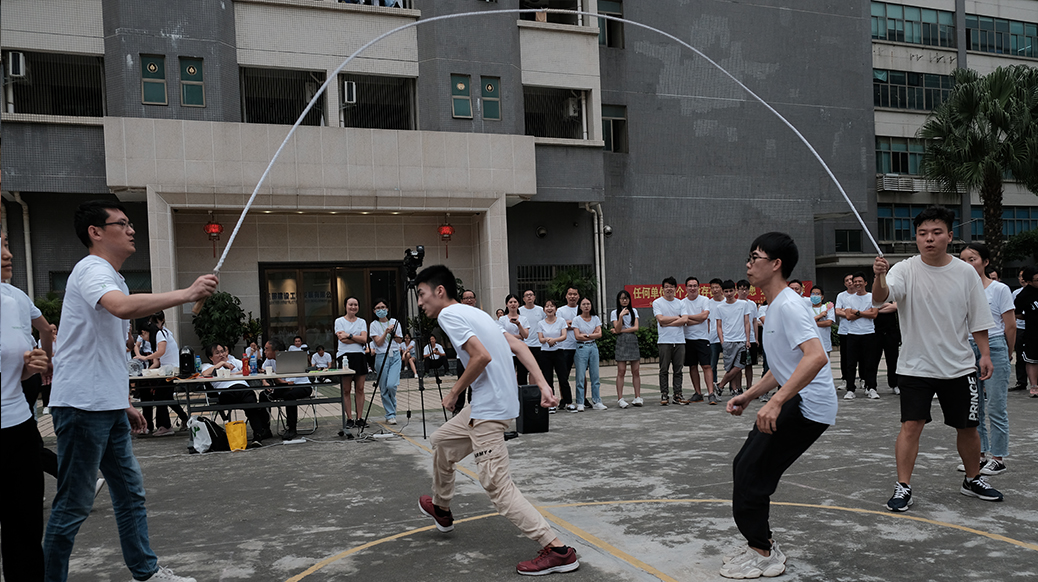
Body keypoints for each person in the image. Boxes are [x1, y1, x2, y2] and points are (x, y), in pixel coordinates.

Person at [45, 200, 214, 582]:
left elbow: (107, 353)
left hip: (106, 406)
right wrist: (186, 293)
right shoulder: (92, 269)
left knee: (129, 493)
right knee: (74, 504)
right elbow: (120, 308)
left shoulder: (114, 277)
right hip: (81, 406)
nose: (131, 229)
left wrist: (124, 402)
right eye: (122, 224)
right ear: (96, 232)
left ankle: (146, 572)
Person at [413, 265, 579, 576]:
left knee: (497, 487)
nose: (420, 302)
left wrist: (454, 392)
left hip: (488, 411)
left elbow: (481, 357)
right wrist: (543, 384)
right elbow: (517, 345)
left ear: (439, 291)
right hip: (488, 405)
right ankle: (442, 508)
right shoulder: (476, 314)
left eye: (422, 294)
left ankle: (558, 550)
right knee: (442, 442)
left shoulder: (449, 315)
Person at [721, 232, 837, 579]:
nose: (748, 265)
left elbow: (815, 357)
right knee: (747, 466)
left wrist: (777, 402)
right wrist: (750, 395)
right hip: (796, 400)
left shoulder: (788, 305)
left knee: (752, 472)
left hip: (808, 406)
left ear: (776, 264)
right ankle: (761, 543)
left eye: (754, 257)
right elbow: (784, 366)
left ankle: (763, 553)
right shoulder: (774, 307)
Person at [872, 205, 1002, 512]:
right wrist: (879, 276)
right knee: (911, 425)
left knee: (968, 428)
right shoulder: (904, 269)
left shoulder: (965, 272)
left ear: (950, 236)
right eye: (922, 233)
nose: (929, 238)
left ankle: (972, 479)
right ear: (916, 238)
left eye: (936, 232)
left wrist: (984, 354)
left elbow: (977, 317)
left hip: (959, 366)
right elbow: (881, 298)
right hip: (915, 366)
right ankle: (903, 486)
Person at [2, 229, 53, 580]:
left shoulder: (15, 299)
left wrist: (35, 365)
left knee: (25, 532)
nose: (8, 255)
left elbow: (15, 371)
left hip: (18, 426)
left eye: (6, 245)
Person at [958, 243, 1014, 475]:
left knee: (996, 406)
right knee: (974, 406)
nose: (967, 264)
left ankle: (998, 457)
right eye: (962, 260)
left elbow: (1010, 325)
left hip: (995, 345)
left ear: (985, 262)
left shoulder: (999, 289)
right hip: (967, 348)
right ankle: (979, 455)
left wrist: (1007, 353)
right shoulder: (959, 290)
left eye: (972, 259)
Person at [200, 343, 273, 442]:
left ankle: (258, 436)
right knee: (249, 403)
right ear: (210, 357)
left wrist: (233, 373)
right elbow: (205, 374)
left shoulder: (233, 361)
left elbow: (248, 368)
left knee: (251, 405)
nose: (221, 355)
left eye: (222, 351)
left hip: (243, 388)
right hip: (226, 391)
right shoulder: (208, 366)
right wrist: (222, 364)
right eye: (217, 353)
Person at [139, 311, 189, 435]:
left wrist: (145, 358)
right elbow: (157, 360)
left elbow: (161, 352)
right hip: (167, 370)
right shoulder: (160, 334)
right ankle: (183, 419)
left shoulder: (160, 334)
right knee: (166, 397)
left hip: (171, 370)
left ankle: (166, 426)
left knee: (160, 397)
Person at [257, 338, 313, 440]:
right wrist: (265, 382)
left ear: (276, 351)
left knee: (289, 395)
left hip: (301, 385)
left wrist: (274, 378)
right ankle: (265, 429)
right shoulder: (269, 359)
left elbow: (289, 384)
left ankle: (292, 428)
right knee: (263, 395)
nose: (264, 352)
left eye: (267, 349)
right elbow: (263, 372)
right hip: (283, 386)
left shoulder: (289, 358)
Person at [835, 273, 880, 400]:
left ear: (865, 283)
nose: (857, 284)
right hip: (852, 334)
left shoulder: (872, 297)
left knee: (870, 363)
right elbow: (848, 316)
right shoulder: (849, 299)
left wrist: (858, 312)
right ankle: (850, 389)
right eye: (855, 282)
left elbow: (874, 315)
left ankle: (871, 388)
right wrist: (865, 312)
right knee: (851, 363)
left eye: (860, 281)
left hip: (869, 333)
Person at [653, 277, 689, 405]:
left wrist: (668, 322)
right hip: (664, 341)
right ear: (662, 288)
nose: (669, 289)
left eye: (671, 287)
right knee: (664, 369)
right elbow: (660, 320)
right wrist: (677, 318)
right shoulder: (657, 302)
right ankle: (664, 394)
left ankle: (677, 394)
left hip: (679, 341)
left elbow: (685, 319)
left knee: (678, 370)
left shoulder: (681, 303)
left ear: (675, 288)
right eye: (667, 287)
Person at [335, 296, 368, 429]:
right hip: (344, 356)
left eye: (356, 305)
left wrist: (349, 335)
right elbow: (341, 339)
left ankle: (359, 418)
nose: (353, 307)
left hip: (359, 356)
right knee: (346, 389)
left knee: (360, 388)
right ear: (345, 306)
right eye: (350, 304)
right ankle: (349, 418)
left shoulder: (362, 321)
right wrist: (357, 338)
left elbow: (364, 339)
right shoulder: (339, 321)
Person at [714, 280, 751, 396]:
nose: (729, 294)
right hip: (728, 341)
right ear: (723, 292)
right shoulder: (720, 307)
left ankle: (720, 385)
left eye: (731, 291)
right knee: (730, 368)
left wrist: (748, 340)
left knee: (739, 366)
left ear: (735, 290)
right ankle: (734, 390)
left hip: (741, 340)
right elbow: (719, 325)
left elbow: (747, 322)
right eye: (726, 291)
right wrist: (722, 341)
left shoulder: (743, 304)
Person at [370, 299, 403, 425]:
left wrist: (393, 333)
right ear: (374, 311)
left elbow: (399, 340)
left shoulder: (395, 322)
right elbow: (378, 343)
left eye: (383, 307)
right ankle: (390, 414)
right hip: (381, 356)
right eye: (378, 308)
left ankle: (392, 409)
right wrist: (385, 332)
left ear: (387, 309)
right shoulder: (374, 325)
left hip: (395, 355)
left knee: (391, 385)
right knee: (384, 387)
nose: (381, 310)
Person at [610, 290, 642, 408]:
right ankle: (620, 398)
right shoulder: (614, 312)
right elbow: (617, 328)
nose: (624, 300)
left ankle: (637, 397)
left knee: (636, 370)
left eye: (626, 298)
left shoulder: (634, 311)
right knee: (621, 371)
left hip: (632, 340)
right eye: (622, 298)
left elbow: (636, 328)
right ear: (618, 300)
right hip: (621, 341)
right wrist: (620, 316)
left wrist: (620, 331)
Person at [572, 297, 604, 411]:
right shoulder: (576, 319)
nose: (586, 306)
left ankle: (597, 401)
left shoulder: (595, 318)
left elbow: (599, 334)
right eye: (584, 304)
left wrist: (586, 335)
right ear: (580, 306)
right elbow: (577, 336)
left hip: (593, 347)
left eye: (588, 304)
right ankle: (580, 401)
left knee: (595, 376)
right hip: (581, 348)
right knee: (580, 376)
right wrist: (591, 334)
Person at [537, 299, 568, 413]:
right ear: (544, 309)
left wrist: (554, 340)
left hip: (559, 351)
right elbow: (540, 339)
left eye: (551, 306)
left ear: (556, 309)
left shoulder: (561, 321)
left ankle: (568, 402)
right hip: (545, 353)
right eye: (547, 306)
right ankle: (551, 403)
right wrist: (547, 340)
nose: (549, 308)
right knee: (548, 378)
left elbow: (564, 336)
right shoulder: (541, 323)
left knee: (563, 378)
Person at [557, 287, 581, 410]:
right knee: (563, 375)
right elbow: (560, 326)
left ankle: (582, 398)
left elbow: (584, 325)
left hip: (580, 345)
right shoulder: (560, 311)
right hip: (565, 346)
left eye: (575, 294)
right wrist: (575, 325)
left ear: (578, 296)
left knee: (581, 374)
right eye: (570, 294)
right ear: (566, 296)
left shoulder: (582, 308)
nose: (572, 296)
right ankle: (564, 399)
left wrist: (570, 324)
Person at [1015, 267, 1038, 397]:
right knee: (1032, 359)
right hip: (1032, 332)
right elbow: (1016, 313)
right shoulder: (1023, 295)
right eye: (1037, 280)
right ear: (1029, 281)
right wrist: (1029, 317)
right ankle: (1034, 386)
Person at [498, 294, 531, 382]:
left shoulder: (523, 319)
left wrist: (518, 324)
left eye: (515, 302)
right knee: (508, 377)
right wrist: (519, 336)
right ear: (506, 304)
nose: (513, 304)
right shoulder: (502, 319)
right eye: (510, 302)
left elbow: (525, 335)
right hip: (508, 351)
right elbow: (502, 335)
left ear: (518, 304)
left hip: (521, 351)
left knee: (522, 377)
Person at [737, 280, 760, 393]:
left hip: (750, 338)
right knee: (737, 365)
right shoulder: (735, 303)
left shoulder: (752, 304)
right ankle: (738, 387)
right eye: (741, 289)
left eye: (746, 289)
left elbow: (754, 321)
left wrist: (756, 338)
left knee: (749, 365)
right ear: (737, 290)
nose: (744, 292)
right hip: (738, 337)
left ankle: (749, 386)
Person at [519, 289, 546, 386]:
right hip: (524, 345)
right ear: (523, 299)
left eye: (531, 295)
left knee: (536, 371)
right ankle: (523, 392)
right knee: (522, 371)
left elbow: (545, 324)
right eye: (527, 295)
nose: (529, 297)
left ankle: (534, 391)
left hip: (538, 345)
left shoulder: (540, 310)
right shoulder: (520, 311)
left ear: (534, 297)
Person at [874, 299, 901, 395]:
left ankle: (894, 384)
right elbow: (870, 308)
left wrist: (876, 310)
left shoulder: (893, 296)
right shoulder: (873, 296)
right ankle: (871, 386)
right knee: (873, 360)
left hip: (891, 333)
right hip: (876, 332)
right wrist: (885, 306)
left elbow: (895, 307)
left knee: (893, 360)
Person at [834, 273, 855, 390]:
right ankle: (845, 379)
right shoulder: (841, 296)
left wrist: (846, 312)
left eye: (851, 279)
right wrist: (855, 313)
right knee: (845, 357)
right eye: (847, 280)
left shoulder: (862, 295)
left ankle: (863, 379)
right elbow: (837, 311)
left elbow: (868, 311)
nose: (850, 282)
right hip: (844, 331)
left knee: (861, 357)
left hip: (859, 331)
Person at [707, 278, 726, 390]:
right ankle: (713, 387)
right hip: (712, 338)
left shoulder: (727, 302)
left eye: (717, 287)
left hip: (727, 337)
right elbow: (707, 321)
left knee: (730, 365)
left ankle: (733, 388)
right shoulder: (708, 303)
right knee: (712, 365)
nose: (715, 290)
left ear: (721, 288)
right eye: (712, 288)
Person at [1012, 268, 1028, 391]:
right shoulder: (1016, 293)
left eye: (1024, 276)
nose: (1022, 279)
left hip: (1033, 328)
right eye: (1020, 276)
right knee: (1020, 356)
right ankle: (1021, 381)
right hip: (1020, 327)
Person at [809, 286, 835, 355]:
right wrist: (820, 316)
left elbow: (828, 323)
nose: (815, 296)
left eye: (817, 294)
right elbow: (805, 323)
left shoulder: (827, 307)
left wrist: (812, 323)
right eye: (813, 294)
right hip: (810, 344)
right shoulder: (806, 309)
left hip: (825, 343)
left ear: (822, 297)